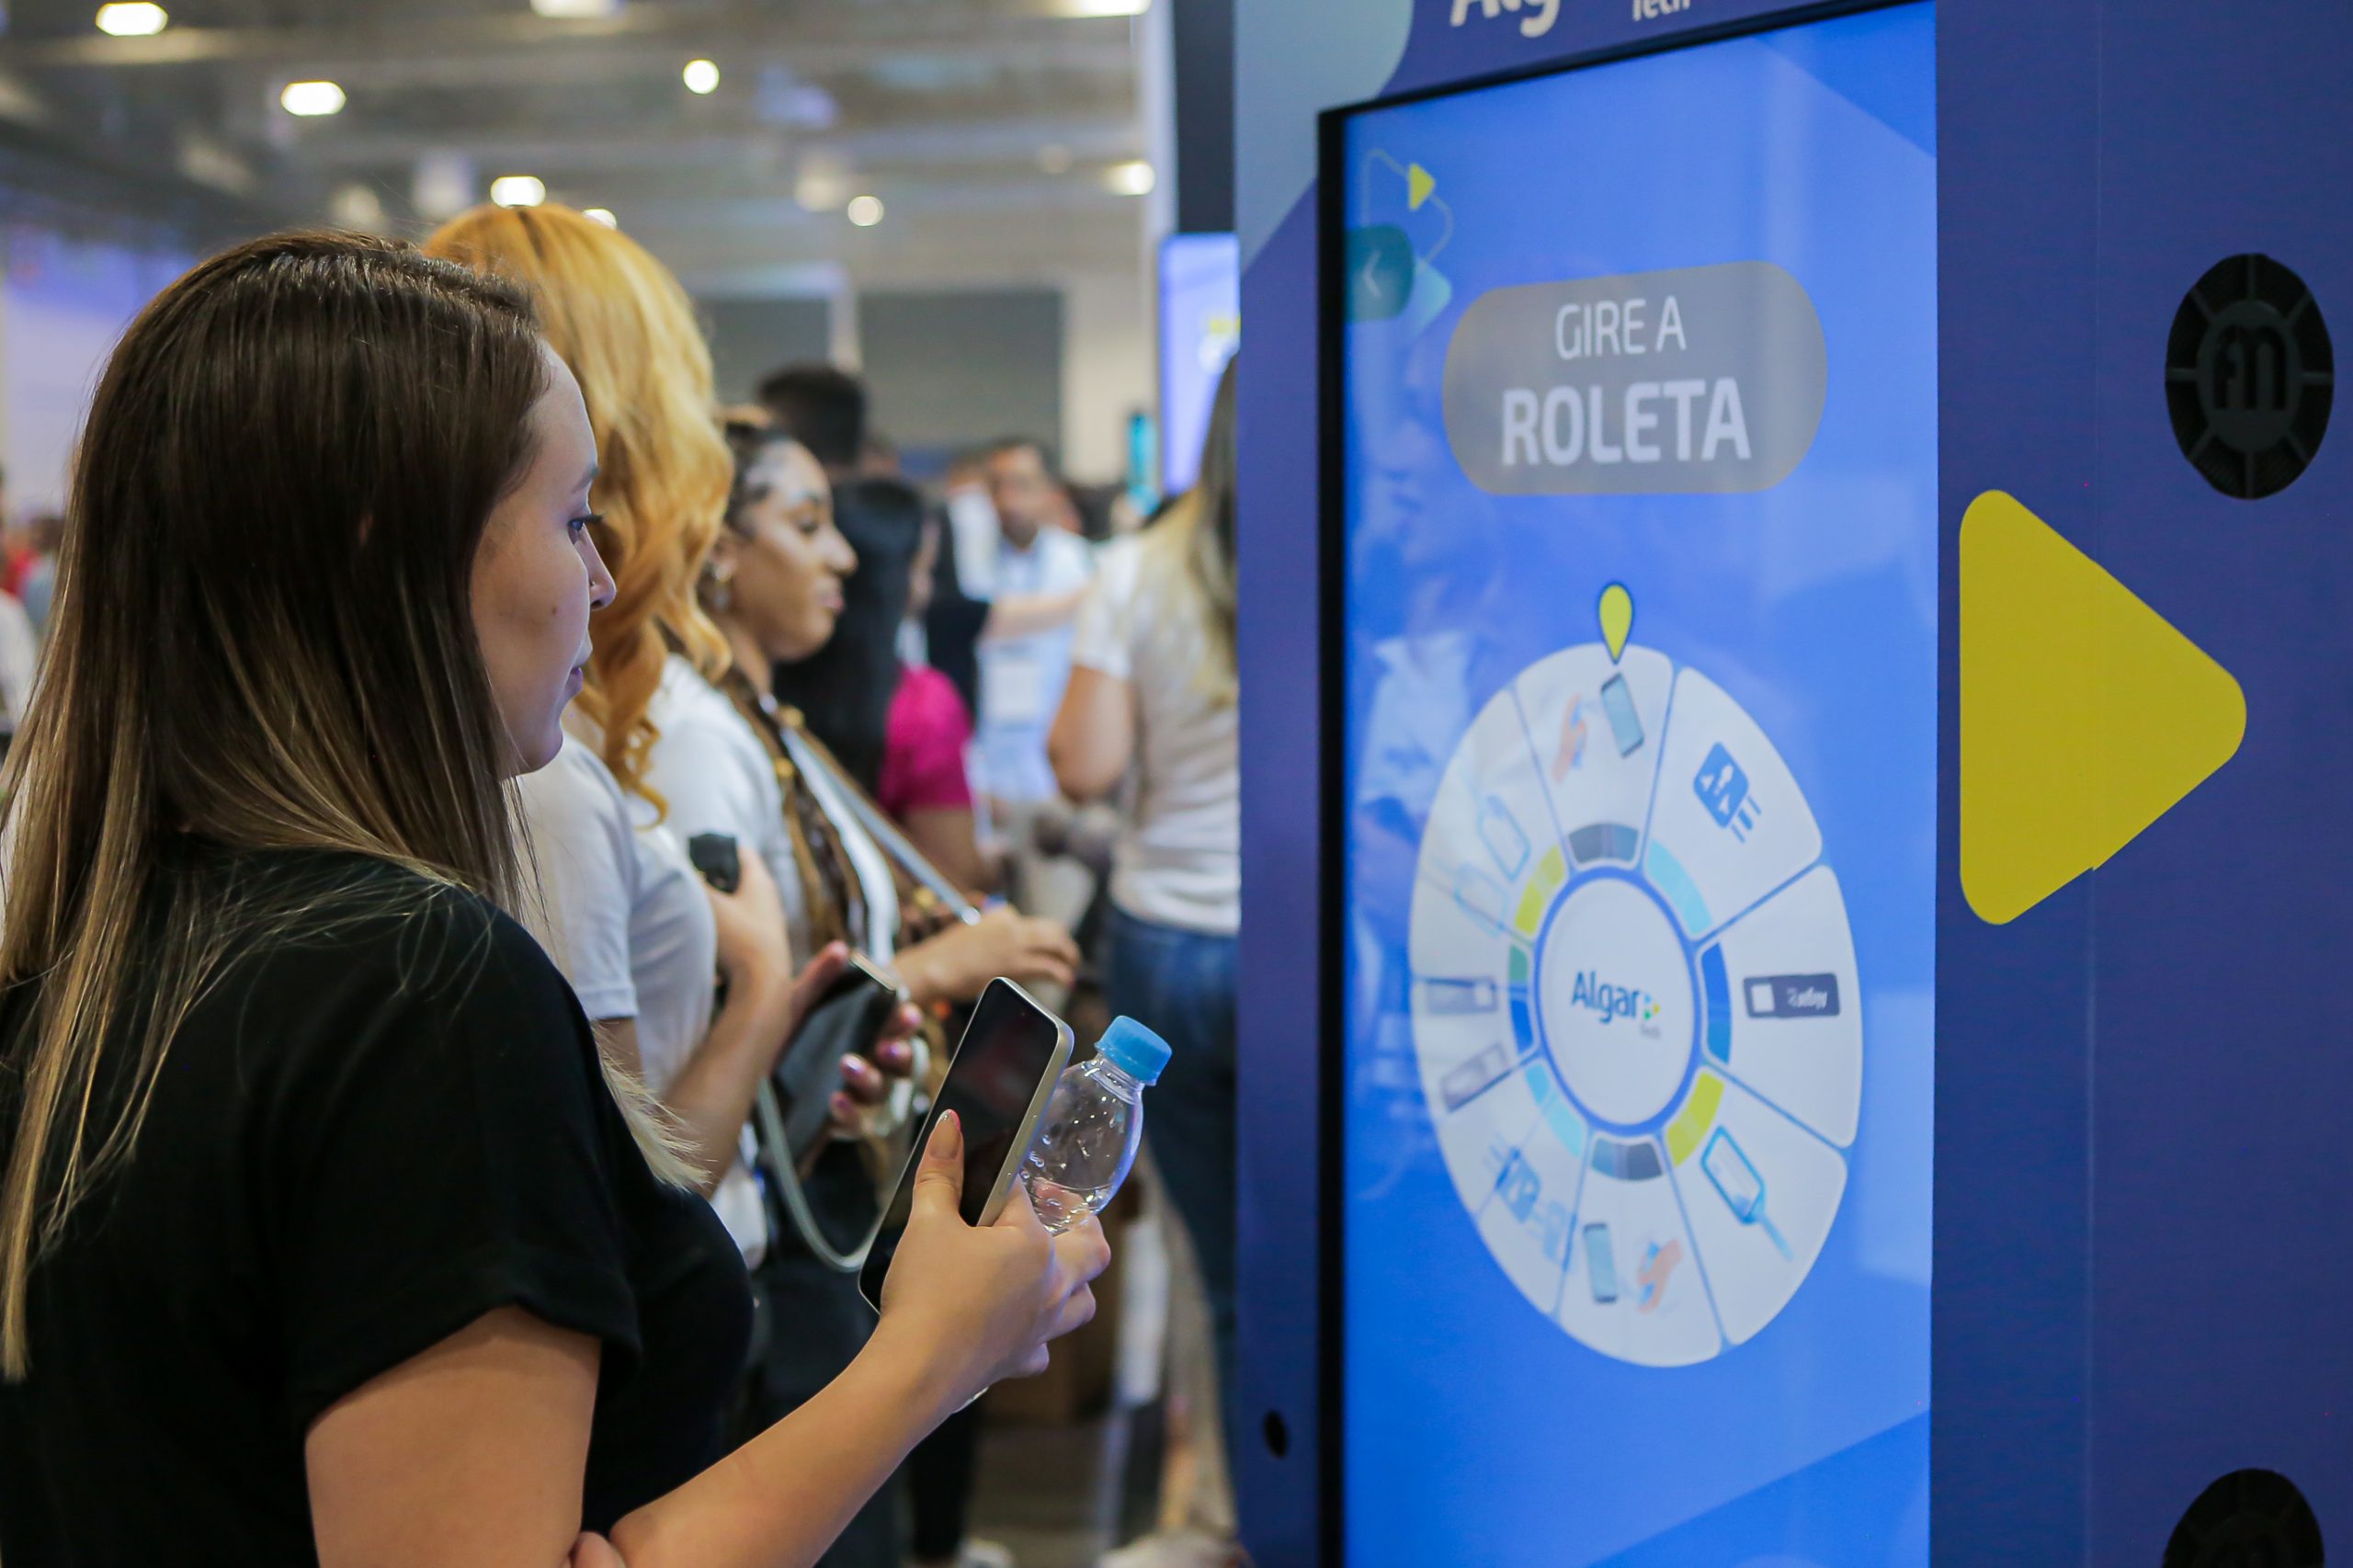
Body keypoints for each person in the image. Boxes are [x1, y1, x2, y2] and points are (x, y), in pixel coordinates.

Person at [0, 231, 1107, 1568]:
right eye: (574, 517)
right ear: (393, 553)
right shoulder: (415, 984)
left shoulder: (95, 937)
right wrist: (930, 1355)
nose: (597, 576)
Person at [423, 203, 913, 1273]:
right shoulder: (544, 759)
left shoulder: (597, 721)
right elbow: (616, 1193)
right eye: (569, 517)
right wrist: (766, 988)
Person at [1051, 358, 1244, 1500]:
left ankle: (1232, 1502)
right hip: (1308, 949)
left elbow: (1085, 764)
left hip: (1169, 940)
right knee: (1326, 1241)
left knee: (1211, 1255)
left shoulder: (1133, 571)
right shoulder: (1361, 557)